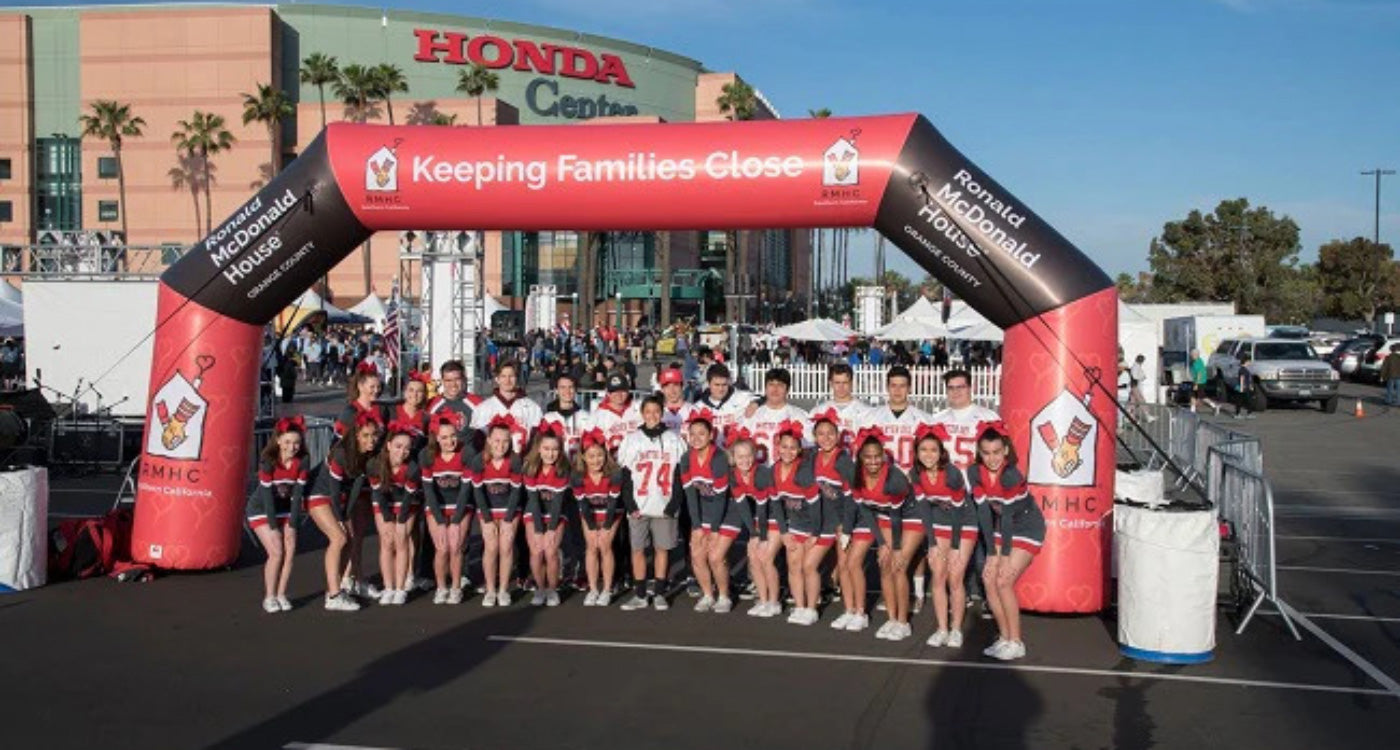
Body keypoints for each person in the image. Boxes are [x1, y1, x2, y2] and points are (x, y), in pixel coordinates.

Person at [931, 368, 1002, 617]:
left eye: (960, 387)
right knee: (955, 548)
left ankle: (987, 596)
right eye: (951, 388)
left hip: (979, 492)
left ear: (970, 388)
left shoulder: (987, 416)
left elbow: (1000, 455)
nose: (956, 392)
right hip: (949, 494)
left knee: (985, 547)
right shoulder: (938, 419)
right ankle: (965, 592)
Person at [969, 427, 1044, 661]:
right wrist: (991, 552)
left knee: (1003, 580)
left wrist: (1003, 555)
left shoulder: (1011, 475)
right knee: (988, 577)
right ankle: (1004, 637)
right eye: (987, 453)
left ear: (1006, 450)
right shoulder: (974, 472)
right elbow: (984, 513)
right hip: (1003, 526)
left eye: (997, 452)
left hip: (1027, 528)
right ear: (979, 453)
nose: (992, 458)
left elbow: (1010, 517)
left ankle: (1016, 641)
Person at [617, 395, 687, 611]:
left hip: (664, 503)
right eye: (648, 412)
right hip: (639, 503)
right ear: (642, 413)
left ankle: (658, 592)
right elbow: (626, 475)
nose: (652, 416)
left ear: (662, 412)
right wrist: (630, 504)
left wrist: (674, 503)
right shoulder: (632, 439)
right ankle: (639, 594)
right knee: (637, 549)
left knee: (662, 549)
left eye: (656, 411)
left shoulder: (675, 439)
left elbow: (679, 476)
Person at [850, 426, 919, 640]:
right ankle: (891, 618)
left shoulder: (895, 479)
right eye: (868, 457)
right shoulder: (855, 476)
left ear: (884, 456)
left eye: (877, 457)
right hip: (885, 517)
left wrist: (896, 548)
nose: (872, 461)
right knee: (884, 565)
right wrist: (881, 543)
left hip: (911, 518)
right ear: (861, 457)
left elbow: (898, 517)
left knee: (899, 566)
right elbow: (866, 511)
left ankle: (903, 621)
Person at [909, 424, 974, 648]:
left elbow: (958, 511)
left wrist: (955, 546)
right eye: (923, 450)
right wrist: (932, 543)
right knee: (937, 576)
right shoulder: (915, 473)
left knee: (955, 577)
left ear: (941, 452)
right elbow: (924, 509)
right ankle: (942, 628)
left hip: (964, 524)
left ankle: (956, 629)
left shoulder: (953, 474)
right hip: (938, 524)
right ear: (916, 452)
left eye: (933, 450)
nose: (928, 455)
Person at [247, 416, 308, 613]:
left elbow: (297, 495)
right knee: (276, 552)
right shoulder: (268, 462)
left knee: (290, 550)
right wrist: (273, 528)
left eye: (296, 442)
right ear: (279, 440)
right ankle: (269, 597)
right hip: (261, 510)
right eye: (288, 442)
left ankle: (281, 594)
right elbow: (265, 497)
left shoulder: (303, 461)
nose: (292, 447)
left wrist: (293, 521)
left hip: (285, 509)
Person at [807, 408, 860, 629]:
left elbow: (853, 498)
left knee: (847, 566)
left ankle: (856, 611)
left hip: (846, 519)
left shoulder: (844, 460)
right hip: (828, 521)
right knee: (810, 563)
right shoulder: (814, 457)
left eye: (830, 433)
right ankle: (822, 609)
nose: (826, 438)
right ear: (815, 437)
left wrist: (846, 527)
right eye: (821, 433)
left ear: (838, 436)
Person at [678, 408, 735, 613]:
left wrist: (713, 529)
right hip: (703, 509)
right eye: (692, 434)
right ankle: (707, 594)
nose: (696, 438)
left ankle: (724, 596)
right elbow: (691, 496)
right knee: (696, 553)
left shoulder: (718, 458)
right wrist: (697, 526)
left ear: (711, 435)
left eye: (702, 433)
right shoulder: (686, 459)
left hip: (728, 511)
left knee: (716, 556)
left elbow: (721, 497)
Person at [472, 415, 525, 607]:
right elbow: (478, 492)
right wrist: (486, 520)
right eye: (496, 440)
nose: (500, 445)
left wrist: (509, 519)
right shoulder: (479, 461)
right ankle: (490, 590)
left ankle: (503, 590)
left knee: (506, 546)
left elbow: (516, 492)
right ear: (488, 440)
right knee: (491, 546)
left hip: (510, 508)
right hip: (487, 508)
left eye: (505, 441)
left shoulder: (515, 461)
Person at [421, 411, 474, 605]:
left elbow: (465, 491)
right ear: (436, 437)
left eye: (453, 436)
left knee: (456, 546)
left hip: (460, 504)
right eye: (444, 437)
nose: (449, 441)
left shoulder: (466, 453)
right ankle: (441, 587)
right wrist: (440, 521)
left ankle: (456, 587)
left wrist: (457, 520)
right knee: (442, 548)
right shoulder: (427, 455)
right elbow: (429, 492)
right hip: (437, 506)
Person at [573, 428, 629, 606]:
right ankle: (592, 589)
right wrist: (591, 527)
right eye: (591, 456)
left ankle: (606, 589)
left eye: (599, 455)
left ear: (605, 454)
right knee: (591, 546)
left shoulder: (614, 473)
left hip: (611, 512)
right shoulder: (577, 476)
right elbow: (583, 505)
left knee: (604, 545)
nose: (596, 460)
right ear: (583, 457)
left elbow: (613, 505)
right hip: (589, 512)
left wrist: (605, 528)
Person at [727, 427, 779, 617]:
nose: (744, 460)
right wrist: (753, 532)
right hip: (760, 518)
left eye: (748, 455)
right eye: (739, 456)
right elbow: (743, 508)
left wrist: (762, 536)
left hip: (776, 516)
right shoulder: (734, 474)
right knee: (753, 557)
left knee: (765, 557)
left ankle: (774, 602)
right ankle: (763, 600)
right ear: (733, 457)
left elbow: (764, 507)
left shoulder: (762, 473)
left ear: (754, 455)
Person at [523, 422, 572, 607]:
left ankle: (552, 589)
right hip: (534, 512)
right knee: (536, 550)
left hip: (555, 513)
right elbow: (533, 501)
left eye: (555, 449)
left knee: (551, 551)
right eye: (546, 449)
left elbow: (558, 503)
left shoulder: (562, 469)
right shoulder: (529, 467)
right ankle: (540, 588)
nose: (550, 453)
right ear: (538, 449)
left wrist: (551, 530)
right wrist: (538, 529)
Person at [470, 360, 543, 455]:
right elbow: (477, 444)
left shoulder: (532, 408)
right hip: (494, 465)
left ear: (516, 378)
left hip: (522, 464)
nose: (507, 380)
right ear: (497, 379)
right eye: (503, 376)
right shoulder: (483, 408)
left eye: (511, 376)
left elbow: (537, 442)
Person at [741, 367, 810, 465]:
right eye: (771, 384)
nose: (775, 389)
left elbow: (807, 449)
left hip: (787, 474)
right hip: (758, 473)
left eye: (780, 385)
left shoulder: (800, 416)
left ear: (787, 389)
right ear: (765, 387)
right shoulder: (752, 414)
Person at [694, 363, 753, 447]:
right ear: (708, 384)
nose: (721, 389)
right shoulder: (698, 407)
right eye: (717, 385)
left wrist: (755, 403)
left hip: (736, 455)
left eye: (724, 385)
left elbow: (765, 399)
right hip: (713, 456)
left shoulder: (741, 397)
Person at [542, 370, 593, 456]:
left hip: (578, 465)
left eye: (571, 387)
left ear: (575, 390)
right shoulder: (548, 419)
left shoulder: (586, 417)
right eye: (563, 387)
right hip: (557, 465)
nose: (567, 391)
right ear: (556, 390)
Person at [591, 372, 641, 453]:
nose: (619, 394)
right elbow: (589, 442)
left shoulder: (639, 408)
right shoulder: (598, 415)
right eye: (614, 391)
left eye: (622, 390)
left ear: (628, 390)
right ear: (607, 393)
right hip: (612, 462)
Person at [335, 362, 383, 440]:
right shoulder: (350, 412)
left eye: (378, 387)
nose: (376, 390)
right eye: (372, 387)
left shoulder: (381, 409)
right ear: (360, 386)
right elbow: (338, 442)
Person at [658, 365, 694, 434]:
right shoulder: (657, 413)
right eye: (667, 386)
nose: (672, 391)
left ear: (682, 387)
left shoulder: (693, 410)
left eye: (675, 385)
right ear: (662, 389)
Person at [1189, 348, 1218, 415]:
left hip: (1200, 382)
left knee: (1202, 397)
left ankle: (1214, 406)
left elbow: (1199, 373)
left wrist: (1196, 384)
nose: (1191, 356)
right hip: (1198, 381)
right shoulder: (1198, 361)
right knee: (1193, 396)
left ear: (1196, 355)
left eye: (1192, 355)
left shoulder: (1197, 363)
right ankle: (1192, 411)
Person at [1233, 352, 1257, 420]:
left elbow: (1248, 379)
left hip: (1245, 387)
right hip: (1243, 388)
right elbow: (1242, 378)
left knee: (1247, 401)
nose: (1249, 363)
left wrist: (1250, 386)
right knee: (1241, 401)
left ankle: (1248, 413)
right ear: (1246, 362)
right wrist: (1241, 387)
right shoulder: (1242, 370)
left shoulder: (1245, 369)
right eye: (1249, 361)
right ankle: (1238, 414)